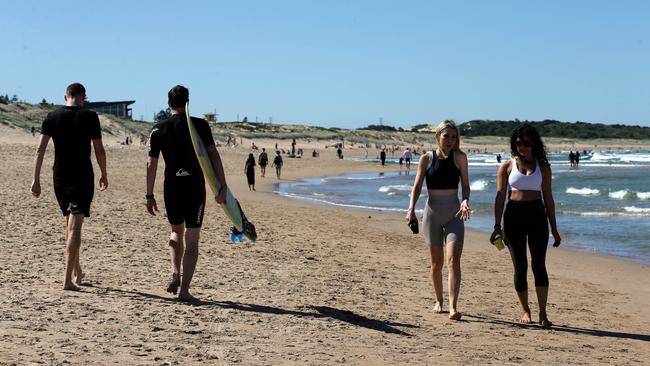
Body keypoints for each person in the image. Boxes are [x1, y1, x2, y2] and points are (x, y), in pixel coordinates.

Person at [146, 85, 228, 302]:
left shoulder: (158, 129)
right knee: (192, 239)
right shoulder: (199, 125)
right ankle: (184, 292)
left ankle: (175, 271)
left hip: (171, 187)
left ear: (168, 104)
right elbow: (213, 155)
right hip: (194, 187)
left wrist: (149, 194)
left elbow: (151, 165)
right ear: (188, 103)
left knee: (175, 232)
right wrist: (222, 186)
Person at [31, 82, 108, 291]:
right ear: (83, 97)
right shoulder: (90, 116)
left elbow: (40, 150)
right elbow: (99, 150)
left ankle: (77, 270)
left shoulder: (52, 117)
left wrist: (35, 179)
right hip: (82, 177)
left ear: (66, 97)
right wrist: (104, 173)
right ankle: (67, 280)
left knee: (69, 223)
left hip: (60, 177)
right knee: (75, 227)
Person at [490, 124, 561, 328]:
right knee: (520, 267)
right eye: (518, 143)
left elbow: (548, 198)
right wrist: (496, 226)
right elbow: (500, 197)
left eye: (526, 143)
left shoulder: (543, 167)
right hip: (513, 217)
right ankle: (525, 310)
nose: (522, 147)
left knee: (539, 265)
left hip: (537, 216)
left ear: (534, 144)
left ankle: (543, 312)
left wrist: (554, 228)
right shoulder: (506, 166)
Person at [405, 120, 471, 320]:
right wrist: (411, 210)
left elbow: (466, 186)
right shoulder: (426, 158)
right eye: (446, 136)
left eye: (454, 137)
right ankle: (438, 301)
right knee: (436, 264)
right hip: (432, 214)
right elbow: (416, 187)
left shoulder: (460, 158)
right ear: (438, 136)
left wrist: (465, 201)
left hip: (455, 214)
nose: (450, 140)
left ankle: (452, 306)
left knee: (453, 261)